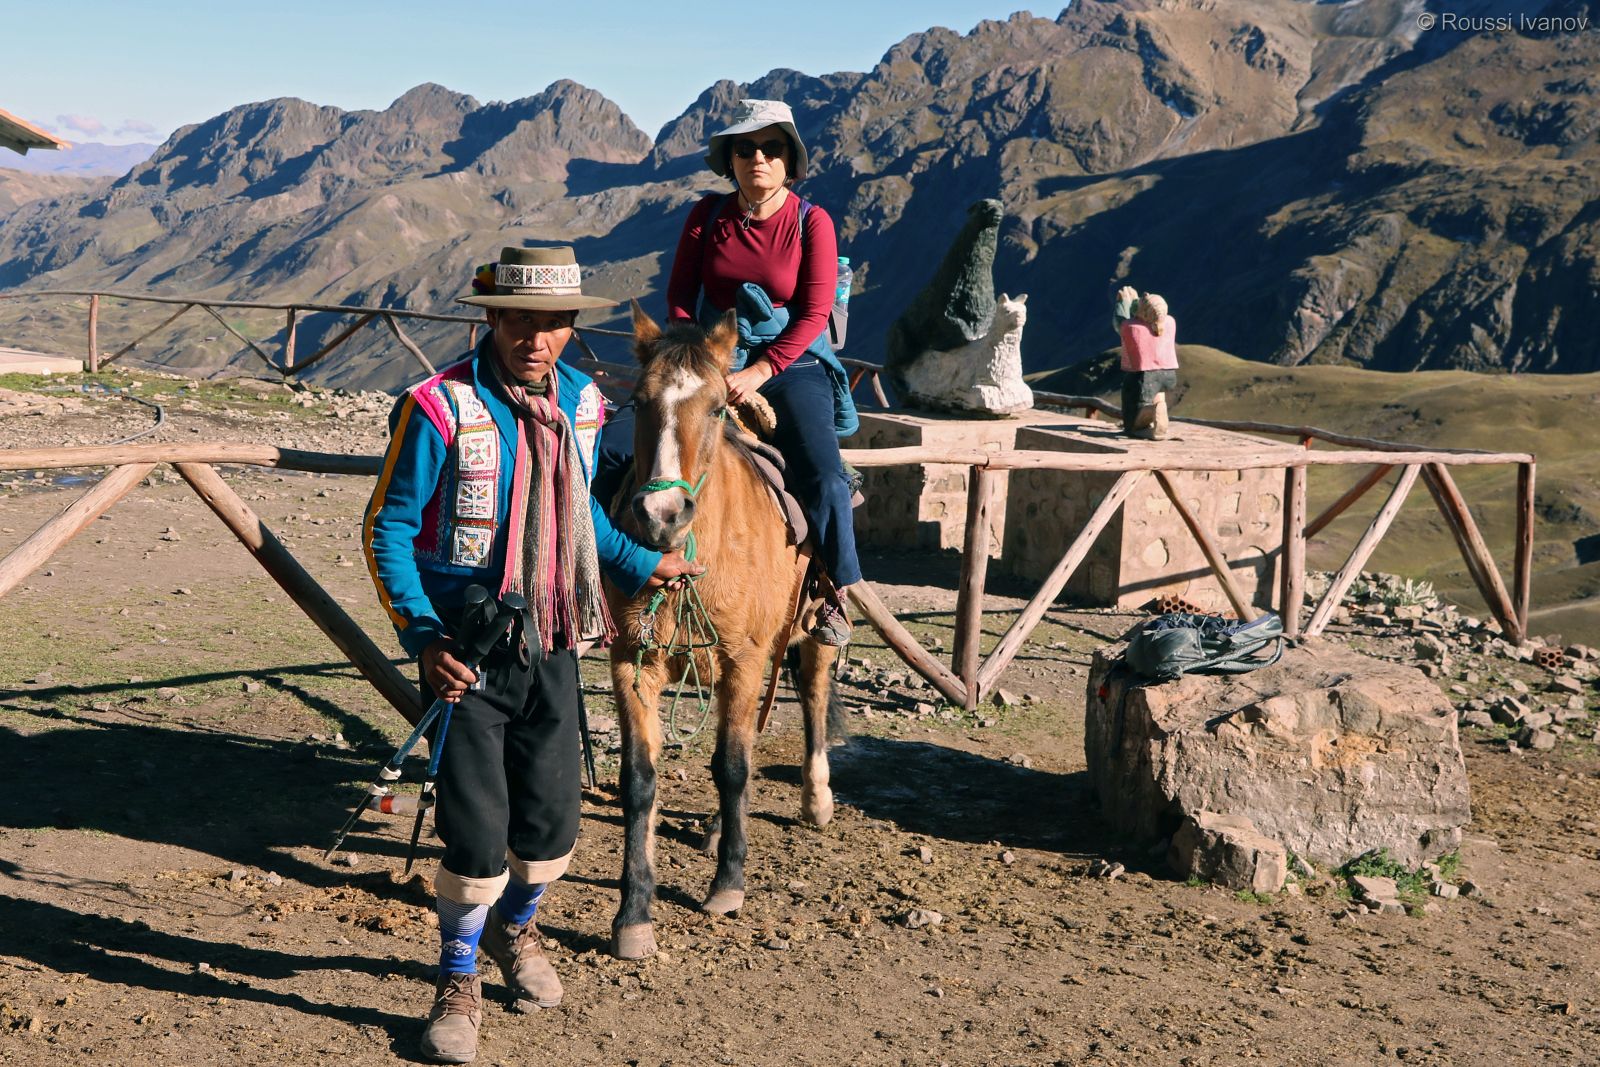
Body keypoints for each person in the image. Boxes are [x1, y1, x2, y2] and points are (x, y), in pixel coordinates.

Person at [363, 245, 699, 1064]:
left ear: (570, 326)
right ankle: (457, 976)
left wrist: (640, 561)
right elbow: (389, 529)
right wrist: (424, 635)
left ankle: (517, 928)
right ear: (493, 319)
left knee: (551, 824)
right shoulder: (438, 408)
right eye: (519, 319)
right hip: (467, 654)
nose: (535, 337)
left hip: (553, 640)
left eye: (552, 322)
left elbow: (580, 513)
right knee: (477, 834)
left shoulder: (583, 403)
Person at [596, 97, 860, 644]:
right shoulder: (706, 217)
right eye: (746, 149)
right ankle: (597, 566)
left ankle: (834, 590)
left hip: (789, 361)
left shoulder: (812, 223)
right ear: (731, 160)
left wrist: (762, 370)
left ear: (790, 160)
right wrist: (695, 359)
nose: (757, 158)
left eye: (771, 148)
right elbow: (679, 298)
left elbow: (813, 312)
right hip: (705, 358)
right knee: (614, 445)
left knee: (826, 475)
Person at [1117, 290, 1178, 440]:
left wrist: (1123, 303)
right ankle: (1159, 415)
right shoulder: (1169, 322)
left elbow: (1120, 324)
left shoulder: (1132, 328)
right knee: (1157, 395)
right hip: (1168, 372)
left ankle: (1150, 415)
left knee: (1135, 404)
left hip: (1144, 374)